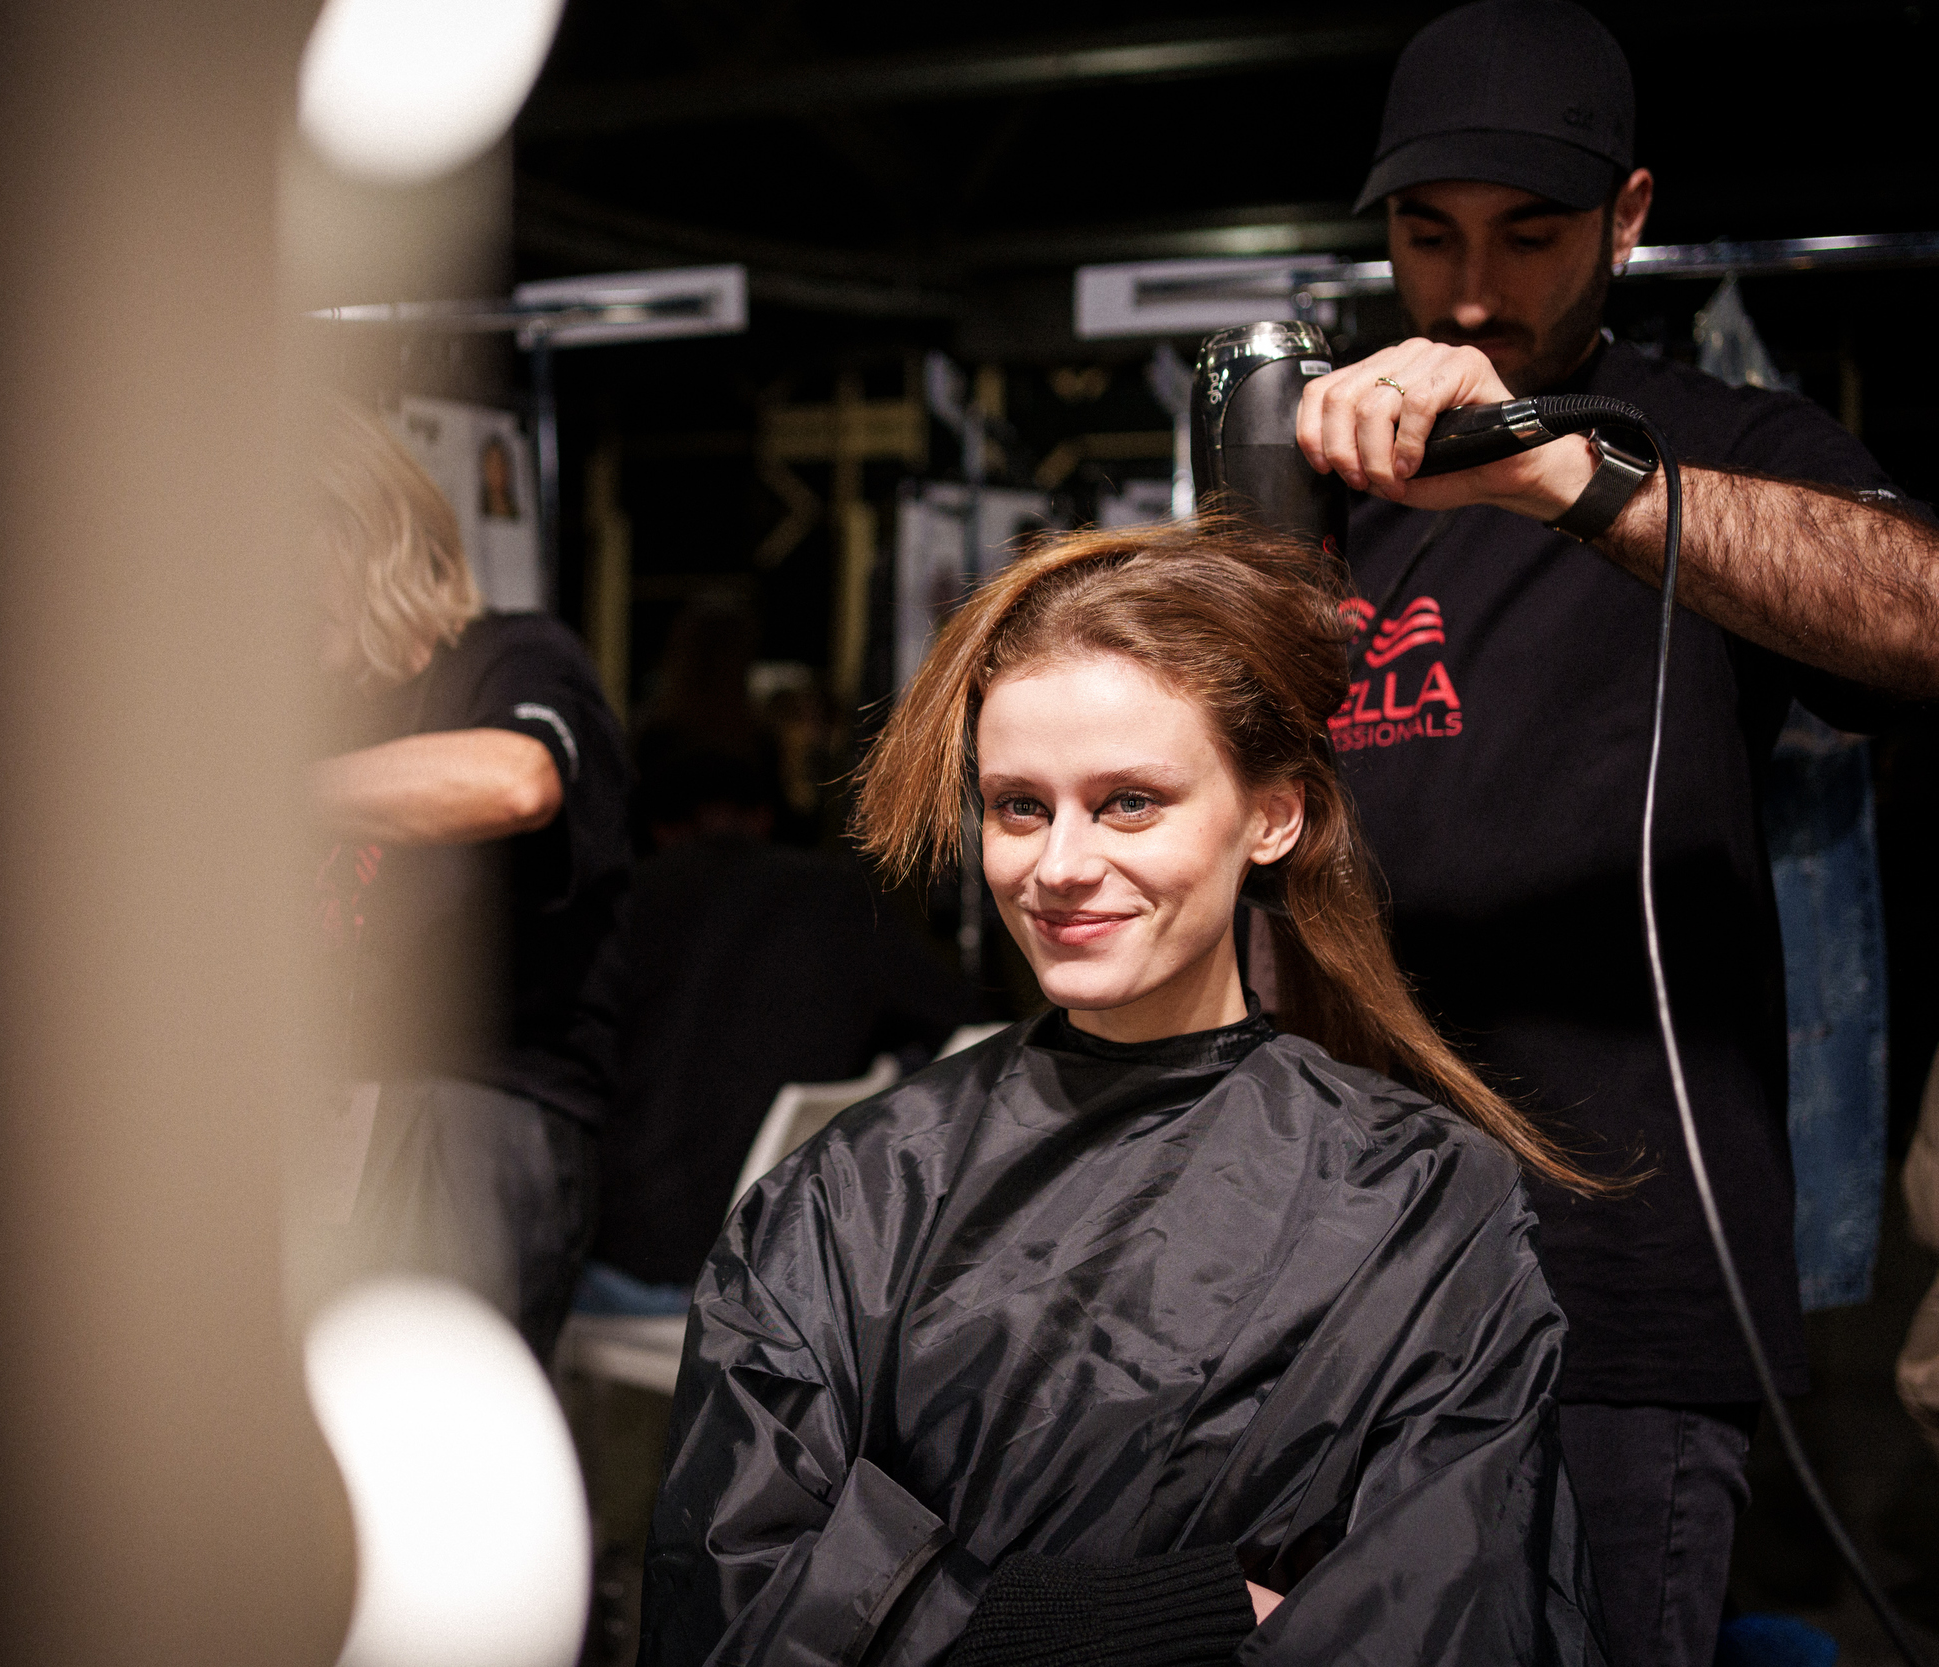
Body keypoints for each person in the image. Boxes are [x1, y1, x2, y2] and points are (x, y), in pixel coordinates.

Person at [641, 523, 1608, 1667]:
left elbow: (1435, 1618)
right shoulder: (847, 1198)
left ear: (1272, 815)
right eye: (1016, 806)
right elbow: (735, 1600)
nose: (1056, 864)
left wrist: (930, 1613)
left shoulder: (1424, 1208)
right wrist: (1154, 1621)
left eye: (1129, 802)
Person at [1288, 7, 1939, 1663]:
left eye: (1531, 235)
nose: (1474, 293)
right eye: (1428, 239)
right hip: (1327, 1278)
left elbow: (1921, 613)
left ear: (1629, 219)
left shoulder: (1707, 440)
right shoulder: (1326, 472)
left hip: (1618, 1292)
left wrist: (1563, 472)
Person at [311, 404, 629, 1363]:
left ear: (368, 542)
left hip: (475, 1103)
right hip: (343, 1106)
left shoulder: (513, 656)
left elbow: (514, 779)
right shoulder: (321, 700)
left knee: (427, 1428)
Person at [584, 749, 972, 1311]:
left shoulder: (622, 904)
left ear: (657, 825)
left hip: (631, 1270)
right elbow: (963, 1026)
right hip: (784, 1274)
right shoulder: (840, 900)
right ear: (767, 815)